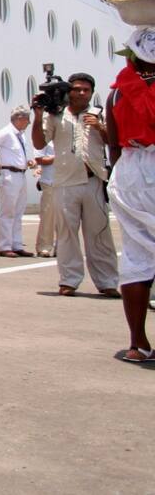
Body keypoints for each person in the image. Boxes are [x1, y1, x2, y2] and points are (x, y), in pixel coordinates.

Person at [31, 73, 120, 298]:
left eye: (86, 90)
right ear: (68, 91)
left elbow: (114, 141)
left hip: (93, 181)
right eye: (77, 89)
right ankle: (69, 280)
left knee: (99, 233)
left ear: (91, 93)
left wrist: (100, 127)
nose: (81, 93)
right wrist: (38, 115)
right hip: (65, 182)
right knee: (66, 233)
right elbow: (40, 142)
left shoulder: (98, 113)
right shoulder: (56, 115)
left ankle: (107, 281)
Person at [105, 27, 155, 362]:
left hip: (129, 170)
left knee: (137, 257)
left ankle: (137, 345)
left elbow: (112, 142)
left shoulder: (116, 93)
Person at [0, 107, 37, 257]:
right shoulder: (6, 132)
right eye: (26, 119)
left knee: (18, 211)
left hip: (20, 173)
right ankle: (4, 245)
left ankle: (16, 244)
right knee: (7, 211)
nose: (28, 122)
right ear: (19, 119)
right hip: (8, 173)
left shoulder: (20, 135)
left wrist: (28, 162)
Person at [34, 142, 57, 257]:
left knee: (66, 217)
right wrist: (56, 157)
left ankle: (62, 247)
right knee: (48, 216)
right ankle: (44, 246)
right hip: (50, 182)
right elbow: (38, 159)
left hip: (68, 181)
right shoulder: (45, 140)